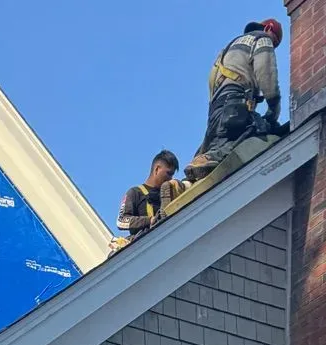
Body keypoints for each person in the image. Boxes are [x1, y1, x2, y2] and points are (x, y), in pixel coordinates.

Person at [192, 20, 287, 173]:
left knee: (213, 147)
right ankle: (207, 159)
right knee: (253, 133)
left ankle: (183, 184)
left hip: (217, 106)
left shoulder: (230, 47)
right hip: (235, 104)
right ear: (269, 28)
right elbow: (266, 73)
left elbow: (212, 81)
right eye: (275, 42)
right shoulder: (262, 39)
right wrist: (273, 107)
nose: (273, 46)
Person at [114, 152, 184, 250]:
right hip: (143, 248)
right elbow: (121, 221)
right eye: (168, 173)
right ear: (157, 169)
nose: (170, 179)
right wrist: (149, 220)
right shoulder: (135, 192)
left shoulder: (169, 194)